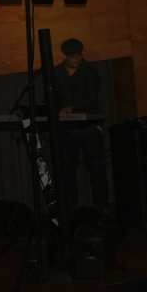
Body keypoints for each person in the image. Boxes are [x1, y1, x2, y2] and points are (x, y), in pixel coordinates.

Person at [52, 38, 109, 216]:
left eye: (79, 56)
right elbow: (51, 98)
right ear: (64, 56)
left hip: (89, 129)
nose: (77, 59)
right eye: (73, 56)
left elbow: (92, 96)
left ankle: (102, 208)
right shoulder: (56, 73)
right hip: (67, 131)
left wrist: (73, 107)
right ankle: (70, 212)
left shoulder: (89, 70)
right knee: (67, 172)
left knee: (97, 170)